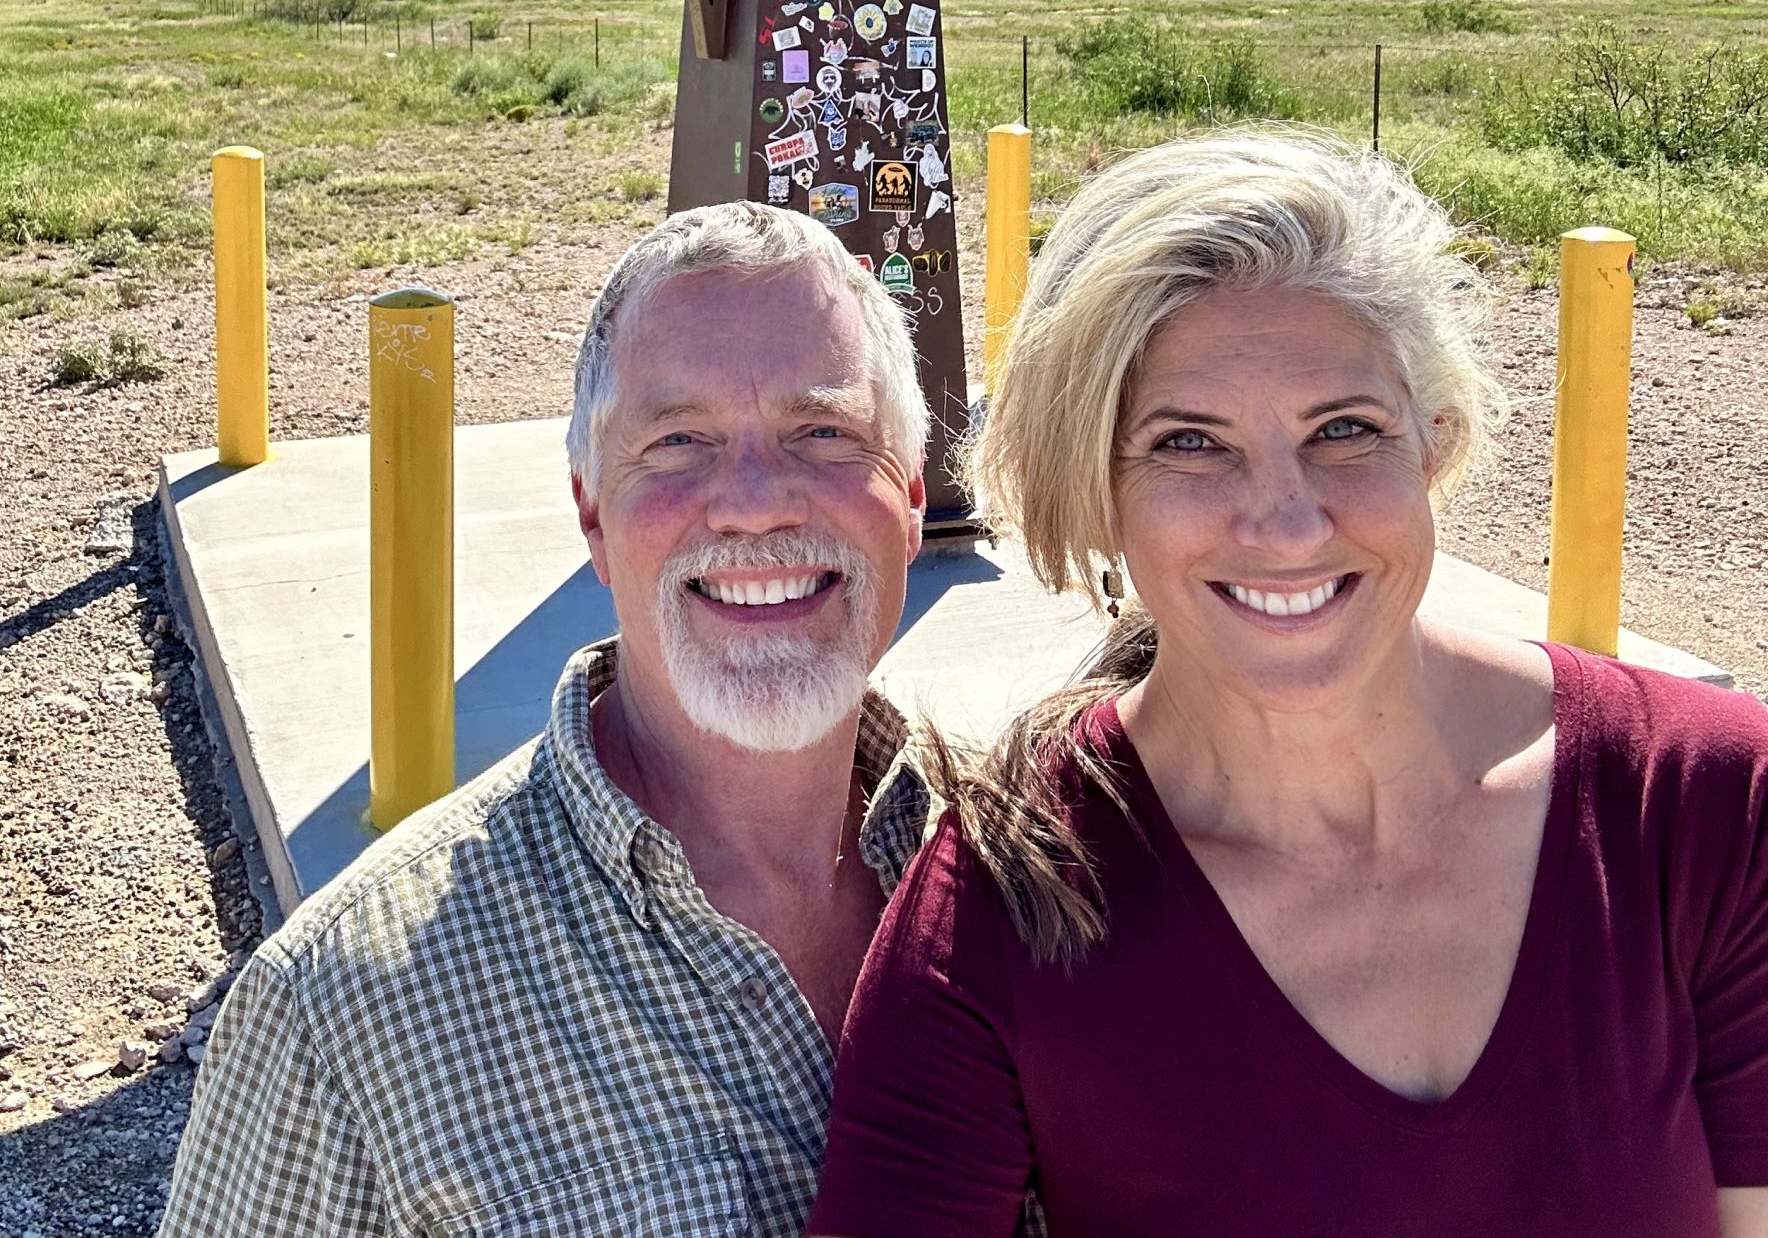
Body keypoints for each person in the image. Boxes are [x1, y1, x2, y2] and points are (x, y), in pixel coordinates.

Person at [812, 130, 1768, 1238]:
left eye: (1344, 429)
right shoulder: (1004, 910)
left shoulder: (1700, 802)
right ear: (1095, 489)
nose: (1285, 520)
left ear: (1433, 444)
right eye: (1189, 443)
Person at [160, 201, 932, 1236]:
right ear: (590, 514)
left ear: (915, 495)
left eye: (824, 431)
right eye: (678, 441)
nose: (755, 502)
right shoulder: (340, 1016)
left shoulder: (1051, 868)